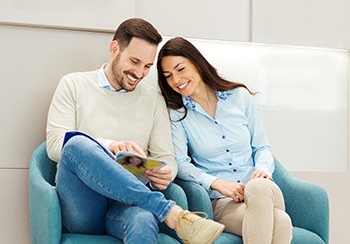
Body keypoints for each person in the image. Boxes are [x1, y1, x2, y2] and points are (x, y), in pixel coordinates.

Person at [46, 19, 224, 244]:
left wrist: (165, 172)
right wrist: (109, 145)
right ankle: (171, 213)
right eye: (134, 61)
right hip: (84, 205)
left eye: (147, 66)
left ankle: (164, 211)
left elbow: (167, 158)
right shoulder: (74, 84)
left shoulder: (153, 100)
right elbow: (54, 146)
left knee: (143, 219)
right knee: (75, 144)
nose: (140, 73)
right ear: (114, 49)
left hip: (127, 205)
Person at [157, 37, 293, 244]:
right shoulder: (178, 114)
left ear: (196, 62)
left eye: (180, 69)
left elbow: (262, 146)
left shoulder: (239, 97)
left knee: (257, 187)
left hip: (263, 190)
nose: (176, 80)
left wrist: (263, 170)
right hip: (223, 202)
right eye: (168, 76)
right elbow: (182, 164)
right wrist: (219, 184)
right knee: (281, 221)